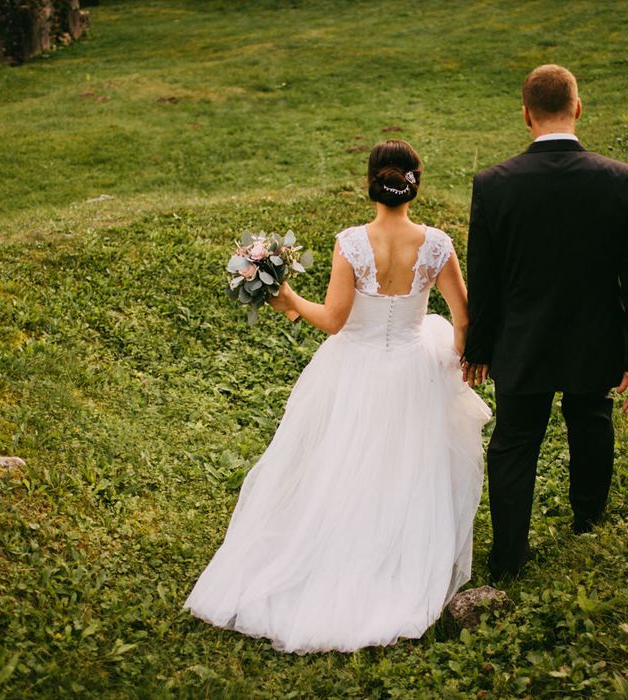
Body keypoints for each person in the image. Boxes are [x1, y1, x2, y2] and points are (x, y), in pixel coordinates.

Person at [184, 140, 491, 653]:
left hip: (354, 368)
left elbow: (333, 320)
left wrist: (287, 298)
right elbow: (463, 318)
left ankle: (335, 550)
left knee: (341, 462)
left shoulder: (351, 242)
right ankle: (397, 557)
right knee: (408, 467)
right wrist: (462, 357)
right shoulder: (437, 244)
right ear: (417, 180)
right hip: (416, 368)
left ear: (368, 180)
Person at [462, 64, 628, 581]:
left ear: (526, 115)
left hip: (521, 341)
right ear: (577, 108)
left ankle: (508, 558)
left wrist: (480, 349)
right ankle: (587, 525)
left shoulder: (493, 184)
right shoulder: (619, 180)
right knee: (593, 423)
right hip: (596, 337)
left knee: (515, 440)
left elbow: (483, 280)